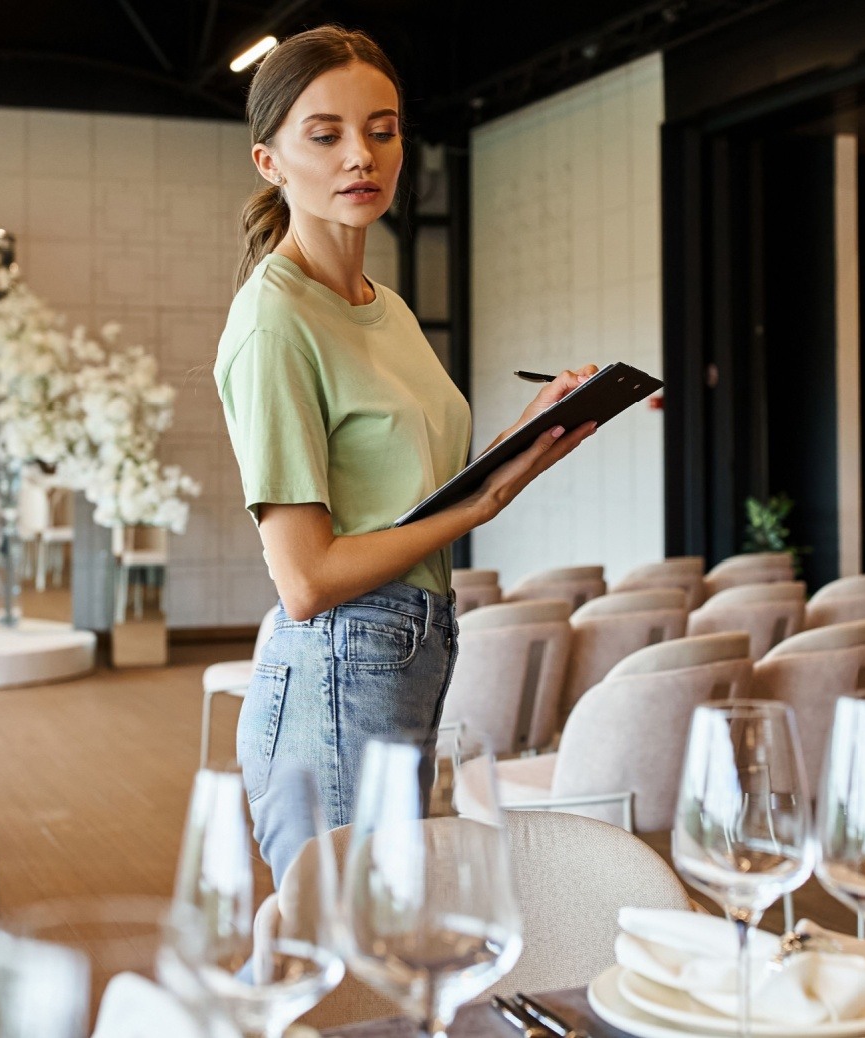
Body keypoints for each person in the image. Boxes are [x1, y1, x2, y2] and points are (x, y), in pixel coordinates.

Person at [214, 25, 599, 878]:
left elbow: (421, 495)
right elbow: (306, 580)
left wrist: (527, 438)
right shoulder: (273, 320)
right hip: (337, 661)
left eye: (382, 130)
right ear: (270, 161)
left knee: (386, 941)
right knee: (357, 959)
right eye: (327, 135)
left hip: (406, 653)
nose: (362, 155)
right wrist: (482, 505)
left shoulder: (381, 304)